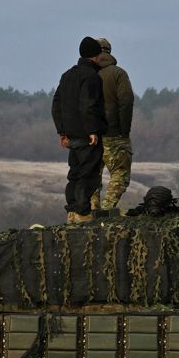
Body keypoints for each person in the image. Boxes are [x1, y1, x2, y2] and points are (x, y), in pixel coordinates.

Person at [52, 36, 109, 223]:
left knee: (74, 174)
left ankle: (72, 212)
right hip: (87, 136)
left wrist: (62, 132)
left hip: (71, 137)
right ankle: (83, 213)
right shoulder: (92, 77)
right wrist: (93, 130)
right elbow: (88, 105)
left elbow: (56, 104)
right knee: (88, 175)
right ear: (96, 56)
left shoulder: (67, 75)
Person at [91, 37, 134, 212]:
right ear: (109, 51)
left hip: (89, 135)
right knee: (119, 172)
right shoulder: (118, 73)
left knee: (93, 173)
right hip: (113, 133)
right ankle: (108, 209)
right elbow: (126, 101)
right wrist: (123, 131)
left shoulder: (86, 74)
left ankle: (92, 210)